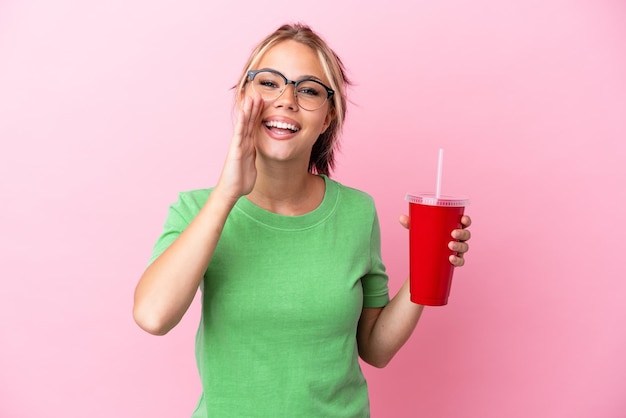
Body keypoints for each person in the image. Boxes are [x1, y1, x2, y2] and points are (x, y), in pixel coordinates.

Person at [133, 23, 472, 417]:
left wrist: (427, 262)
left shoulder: (357, 213)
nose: (287, 100)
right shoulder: (196, 210)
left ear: (328, 117)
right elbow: (153, 316)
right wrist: (227, 193)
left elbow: (375, 349)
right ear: (245, 97)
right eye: (269, 82)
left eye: (308, 89)